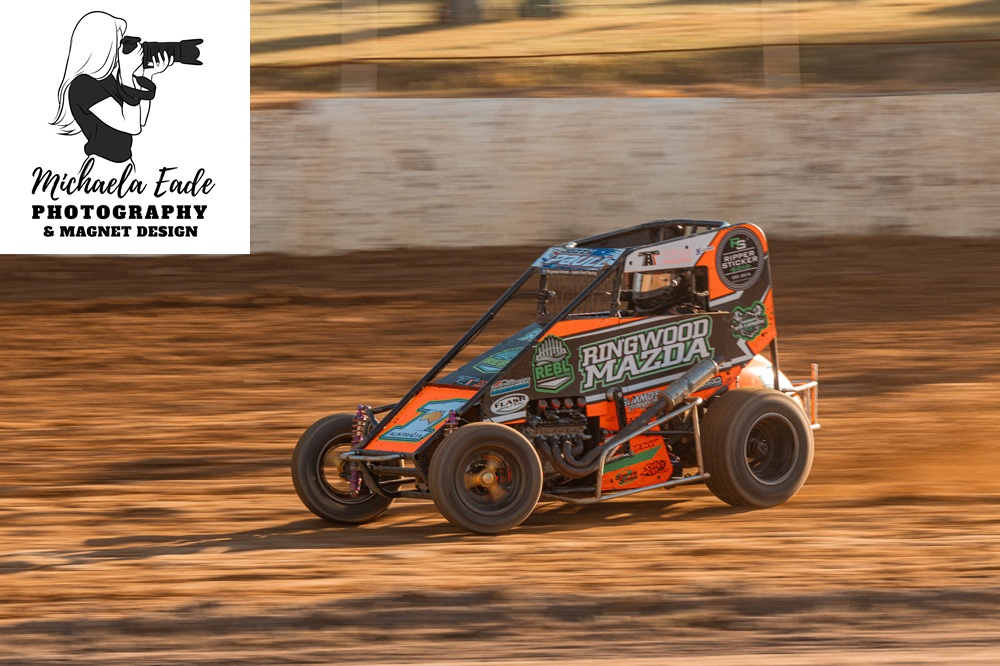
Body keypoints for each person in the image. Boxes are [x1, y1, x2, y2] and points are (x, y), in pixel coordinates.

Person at [51, 11, 172, 177]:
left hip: (125, 165)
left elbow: (140, 120)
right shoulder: (83, 86)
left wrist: (146, 76)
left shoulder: (109, 80)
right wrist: (127, 75)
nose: (121, 49)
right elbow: (132, 126)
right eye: (118, 42)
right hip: (102, 167)